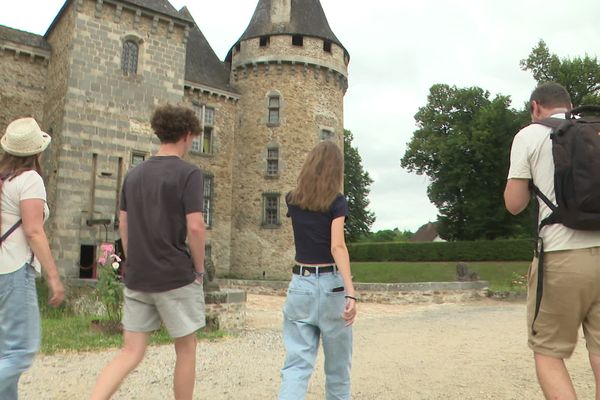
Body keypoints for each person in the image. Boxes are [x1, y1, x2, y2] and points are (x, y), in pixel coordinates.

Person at [91, 104, 207, 400]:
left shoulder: (133, 175)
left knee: (131, 351)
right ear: (186, 134)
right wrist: (199, 270)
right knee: (186, 348)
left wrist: (133, 261)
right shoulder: (189, 174)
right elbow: (195, 227)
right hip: (175, 275)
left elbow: (124, 224)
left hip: (139, 275)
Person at [504, 82, 600, 400]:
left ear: (535, 107)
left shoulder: (529, 135)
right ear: (569, 105)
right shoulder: (594, 132)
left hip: (561, 255)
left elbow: (514, 203)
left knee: (547, 351)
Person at [278, 141, 357, 400]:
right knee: (337, 371)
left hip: (301, 284)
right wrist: (351, 292)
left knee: (296, 367)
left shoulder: (291, 199)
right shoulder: (337, 202)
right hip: (332, 286)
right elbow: (337, 246)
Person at [0, 117, 65, 399]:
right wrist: (53, 277)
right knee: (20, 351)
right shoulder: (30, 180)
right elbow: (34, 231)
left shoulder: (4, 180)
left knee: (5, 350)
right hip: (15, 270)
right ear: (37, 152)